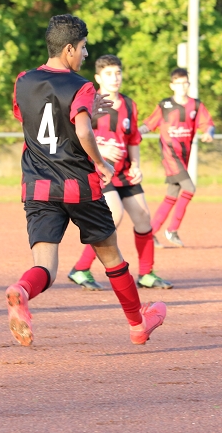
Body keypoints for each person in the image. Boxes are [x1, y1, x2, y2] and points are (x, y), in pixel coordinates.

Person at [6, 14, 166, 347]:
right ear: (68, 49)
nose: (85, 54)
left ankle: (22, 290)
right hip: (79, 185)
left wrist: (82, 112)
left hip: (37, 185)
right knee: (111, 256)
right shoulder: (81, 85)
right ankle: (138, 323)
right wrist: (100, 160)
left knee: (45, 267)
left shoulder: (23, 80)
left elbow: (34, 120)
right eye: (83, 48)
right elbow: (80, 130)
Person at [67, 55, 171, 291]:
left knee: (144, 217)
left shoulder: (129, 104)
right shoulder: (89, 102)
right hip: (100, 170)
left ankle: (146, 274)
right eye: (109, 74)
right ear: (98, 78)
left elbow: (133, 138)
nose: (115, 78)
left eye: (118, 73)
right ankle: (81, 268)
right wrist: (101, 149)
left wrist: (136, 165)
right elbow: (75, 135)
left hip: (124, 172)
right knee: (114, 214)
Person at [139, 68, 215, 248]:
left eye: (185, 83)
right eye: (178, 83)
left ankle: (150, 234)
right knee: (189, 188)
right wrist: (136, 133)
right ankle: (172, 229)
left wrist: (209, 133)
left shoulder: (196, 106)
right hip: (170, 155)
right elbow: (149, 124)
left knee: (172, 194)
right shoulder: (165, 105)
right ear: (172, 85)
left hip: (183, 157)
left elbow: (208, 124)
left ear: (189, 84)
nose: (182, 86)